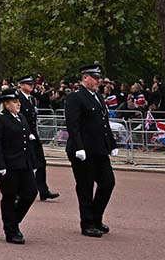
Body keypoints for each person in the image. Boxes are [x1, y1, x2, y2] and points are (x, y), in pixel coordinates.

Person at [65, 64, 117, 238]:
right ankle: (87, 223)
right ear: (85, 77)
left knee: (108, 182)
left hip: (99, 149)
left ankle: (96, 217)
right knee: (85, 187)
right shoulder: (75, 97)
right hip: (83, 150)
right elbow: (73, 125)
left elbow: (104, 123)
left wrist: (112, 144)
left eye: (99, 78)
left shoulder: (98, 97)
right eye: (95, 78)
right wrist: (79, 147)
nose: (98, 81)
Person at [0, 88, 38, 244]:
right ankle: (10, 231)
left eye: (19, 102)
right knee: (9, 196)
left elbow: (27, 142)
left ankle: (13, 221)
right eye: (14, 102)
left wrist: (33, 162)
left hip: (24, 163)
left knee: (30, 192)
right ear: (6, 104)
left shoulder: (21, 117)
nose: (18, 104)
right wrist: (0, 165)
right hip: (8, 164)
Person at [18, 75, 59, 201]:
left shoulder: (32, 99)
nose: (31, 86)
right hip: (23, 135)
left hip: (33, 135)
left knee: (41, 162)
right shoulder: (17, 99)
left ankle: (43, 190)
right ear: (21, 85)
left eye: (32, 84)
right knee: (24, 164)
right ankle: (19, 191)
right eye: (28, 84)